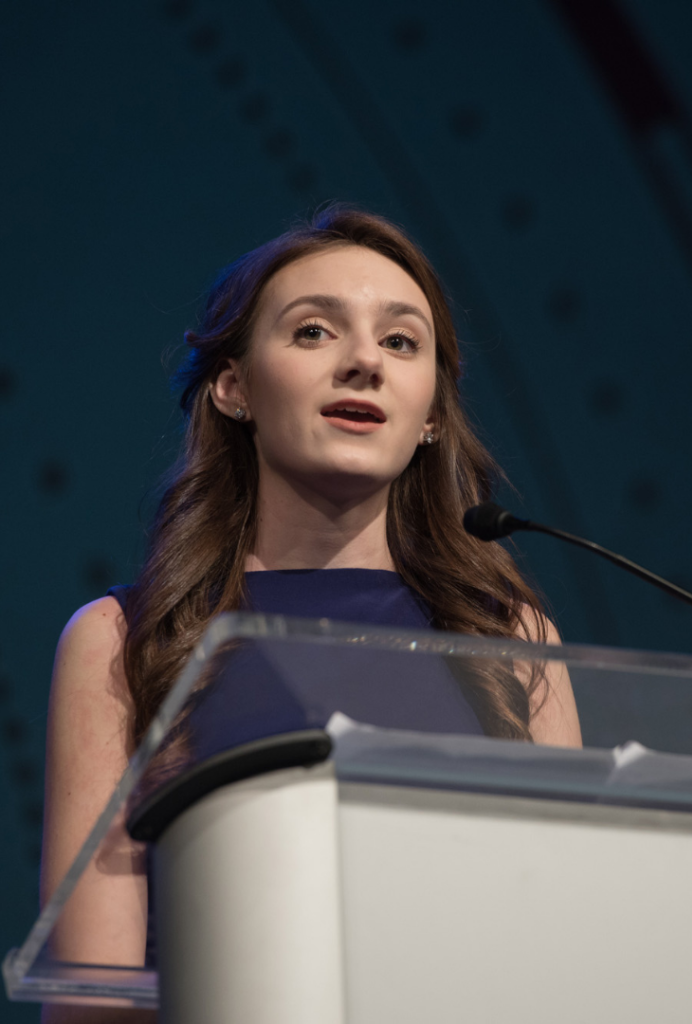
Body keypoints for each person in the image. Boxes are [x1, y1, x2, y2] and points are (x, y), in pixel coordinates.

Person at [40, 206, 581, 1022]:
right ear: (234, 387)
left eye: (401, 342)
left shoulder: (512, 638)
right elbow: (94, 1000)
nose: (365, 361)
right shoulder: (123, 641)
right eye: (314, 332)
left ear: (431, 413)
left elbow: (567, 952)